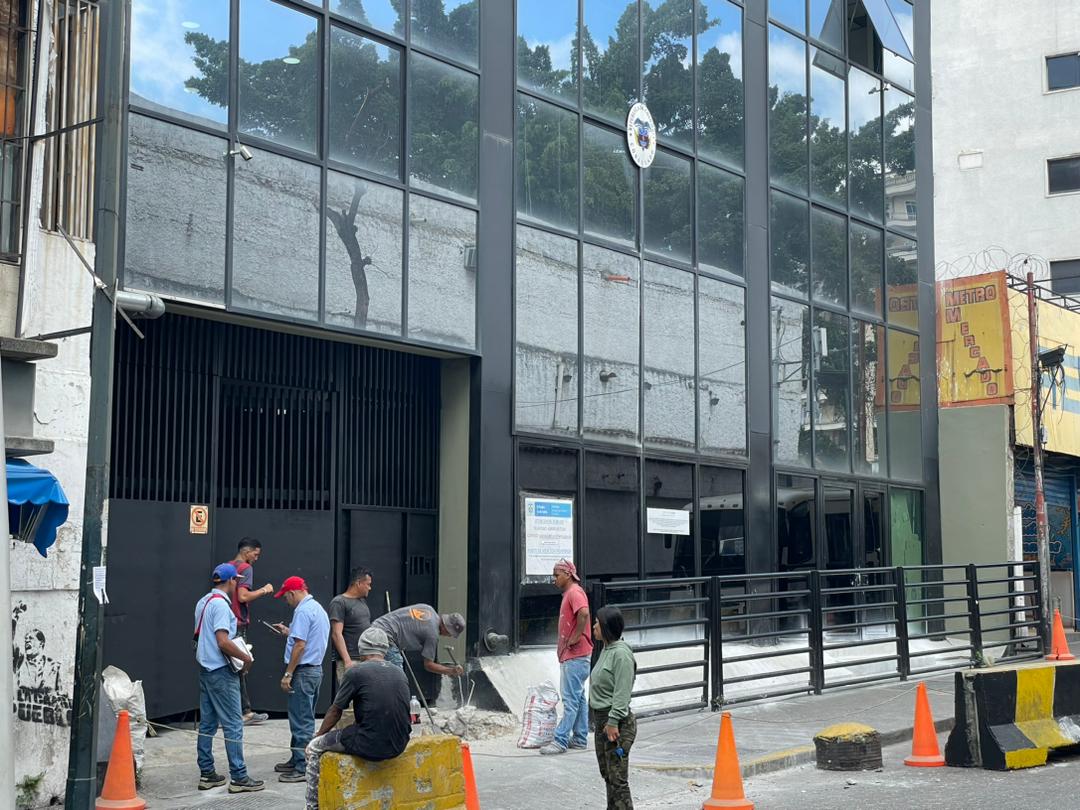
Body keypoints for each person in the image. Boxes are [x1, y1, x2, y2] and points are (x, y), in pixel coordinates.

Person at [303, 627, 411, 810]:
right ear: (384, 649)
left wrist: (319, 735)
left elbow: (335, 711)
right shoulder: (399, 672)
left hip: (369, 743)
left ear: (362, 649)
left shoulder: (356, 672)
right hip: (400, 744)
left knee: (314, 748)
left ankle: (312, 807)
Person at [192, 563, 264, 793]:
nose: (237, 584)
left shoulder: (203, 602)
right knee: (233, 724)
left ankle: (207, 774)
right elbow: (222, 641)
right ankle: (239, 777)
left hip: (206, 670)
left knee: (207, 725)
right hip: (221, 672)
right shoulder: (221, 606)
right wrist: (246, 658)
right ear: (231, 580)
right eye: (236, 580)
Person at [271, 576, 331, 783]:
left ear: (292, 593)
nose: (286, 601)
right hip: (315, 671)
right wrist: (289, 632)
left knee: (301, 721)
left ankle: (303, 766)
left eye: (285, 597)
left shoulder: (303, 611)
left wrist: (288, 673)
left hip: (303, 672)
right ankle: (296, 758)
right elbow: (307, 638)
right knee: (303, 717)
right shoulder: (317, 608)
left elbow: (300, 645)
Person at [539, 559, 593, 755]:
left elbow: (584, 613)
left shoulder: (574, 593)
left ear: (568, 574)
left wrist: (576, 637)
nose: (554, 579)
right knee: (578, 698)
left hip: (575, 656)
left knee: (570, 700)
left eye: (557, 575)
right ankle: (579, 738)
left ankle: (560, 740)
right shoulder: (572, 593)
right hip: (577, 656)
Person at [589, 606, 637, 810]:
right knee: (608, 774)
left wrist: (613, 721)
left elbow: (622, 692)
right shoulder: (607, 649)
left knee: (617, 779)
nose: (593, 626)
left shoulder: (621, 654)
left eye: (597, 623)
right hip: (603, 720)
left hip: (616, 723)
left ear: (607, 627)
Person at [230, 537, 275, 725]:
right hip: (238, 624)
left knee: (229, 668)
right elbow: (243, 596)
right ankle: (244, 712)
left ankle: (233, 712)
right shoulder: (246, 569)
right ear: (247, 552)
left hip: (224, 623)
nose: (256, 558)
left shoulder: (226, 567)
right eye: (255, 554)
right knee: (240, 666)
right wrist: (264, 590)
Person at [371, 604, 465, 677]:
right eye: (450, 633)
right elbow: (428, 665)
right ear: (446, 628)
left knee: (376, 672)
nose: (449, 636)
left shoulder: (428, 609)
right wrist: (451, 671)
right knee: (398, 678)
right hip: (386, 637)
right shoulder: (432, 635)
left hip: (375, 627)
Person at [328, 567, 373, 679]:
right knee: (350, 690)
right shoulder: (339, 602)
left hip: (365, 659)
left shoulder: (362, 602)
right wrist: (347, 661)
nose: (370, 588)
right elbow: (336, 634)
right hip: (351, 660)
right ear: (358, 583)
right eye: (368, 584)